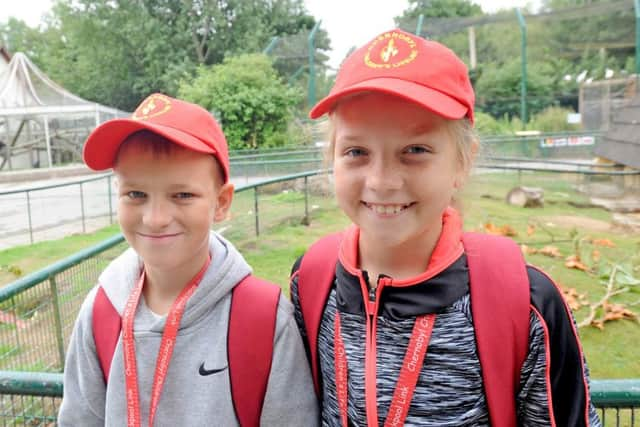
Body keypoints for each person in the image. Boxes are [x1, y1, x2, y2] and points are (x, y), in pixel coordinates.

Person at [289, 29, 601, 426]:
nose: (382, 181)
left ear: (462, 163)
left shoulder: (526, 305)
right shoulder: (311, 281)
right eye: (356, 152)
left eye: (415, 151)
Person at [58, 93, 319, 426]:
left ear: (222, 202)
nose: (155, 219)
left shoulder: (263, 318)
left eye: (182, 195)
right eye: (135, 194)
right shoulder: (101, 310)